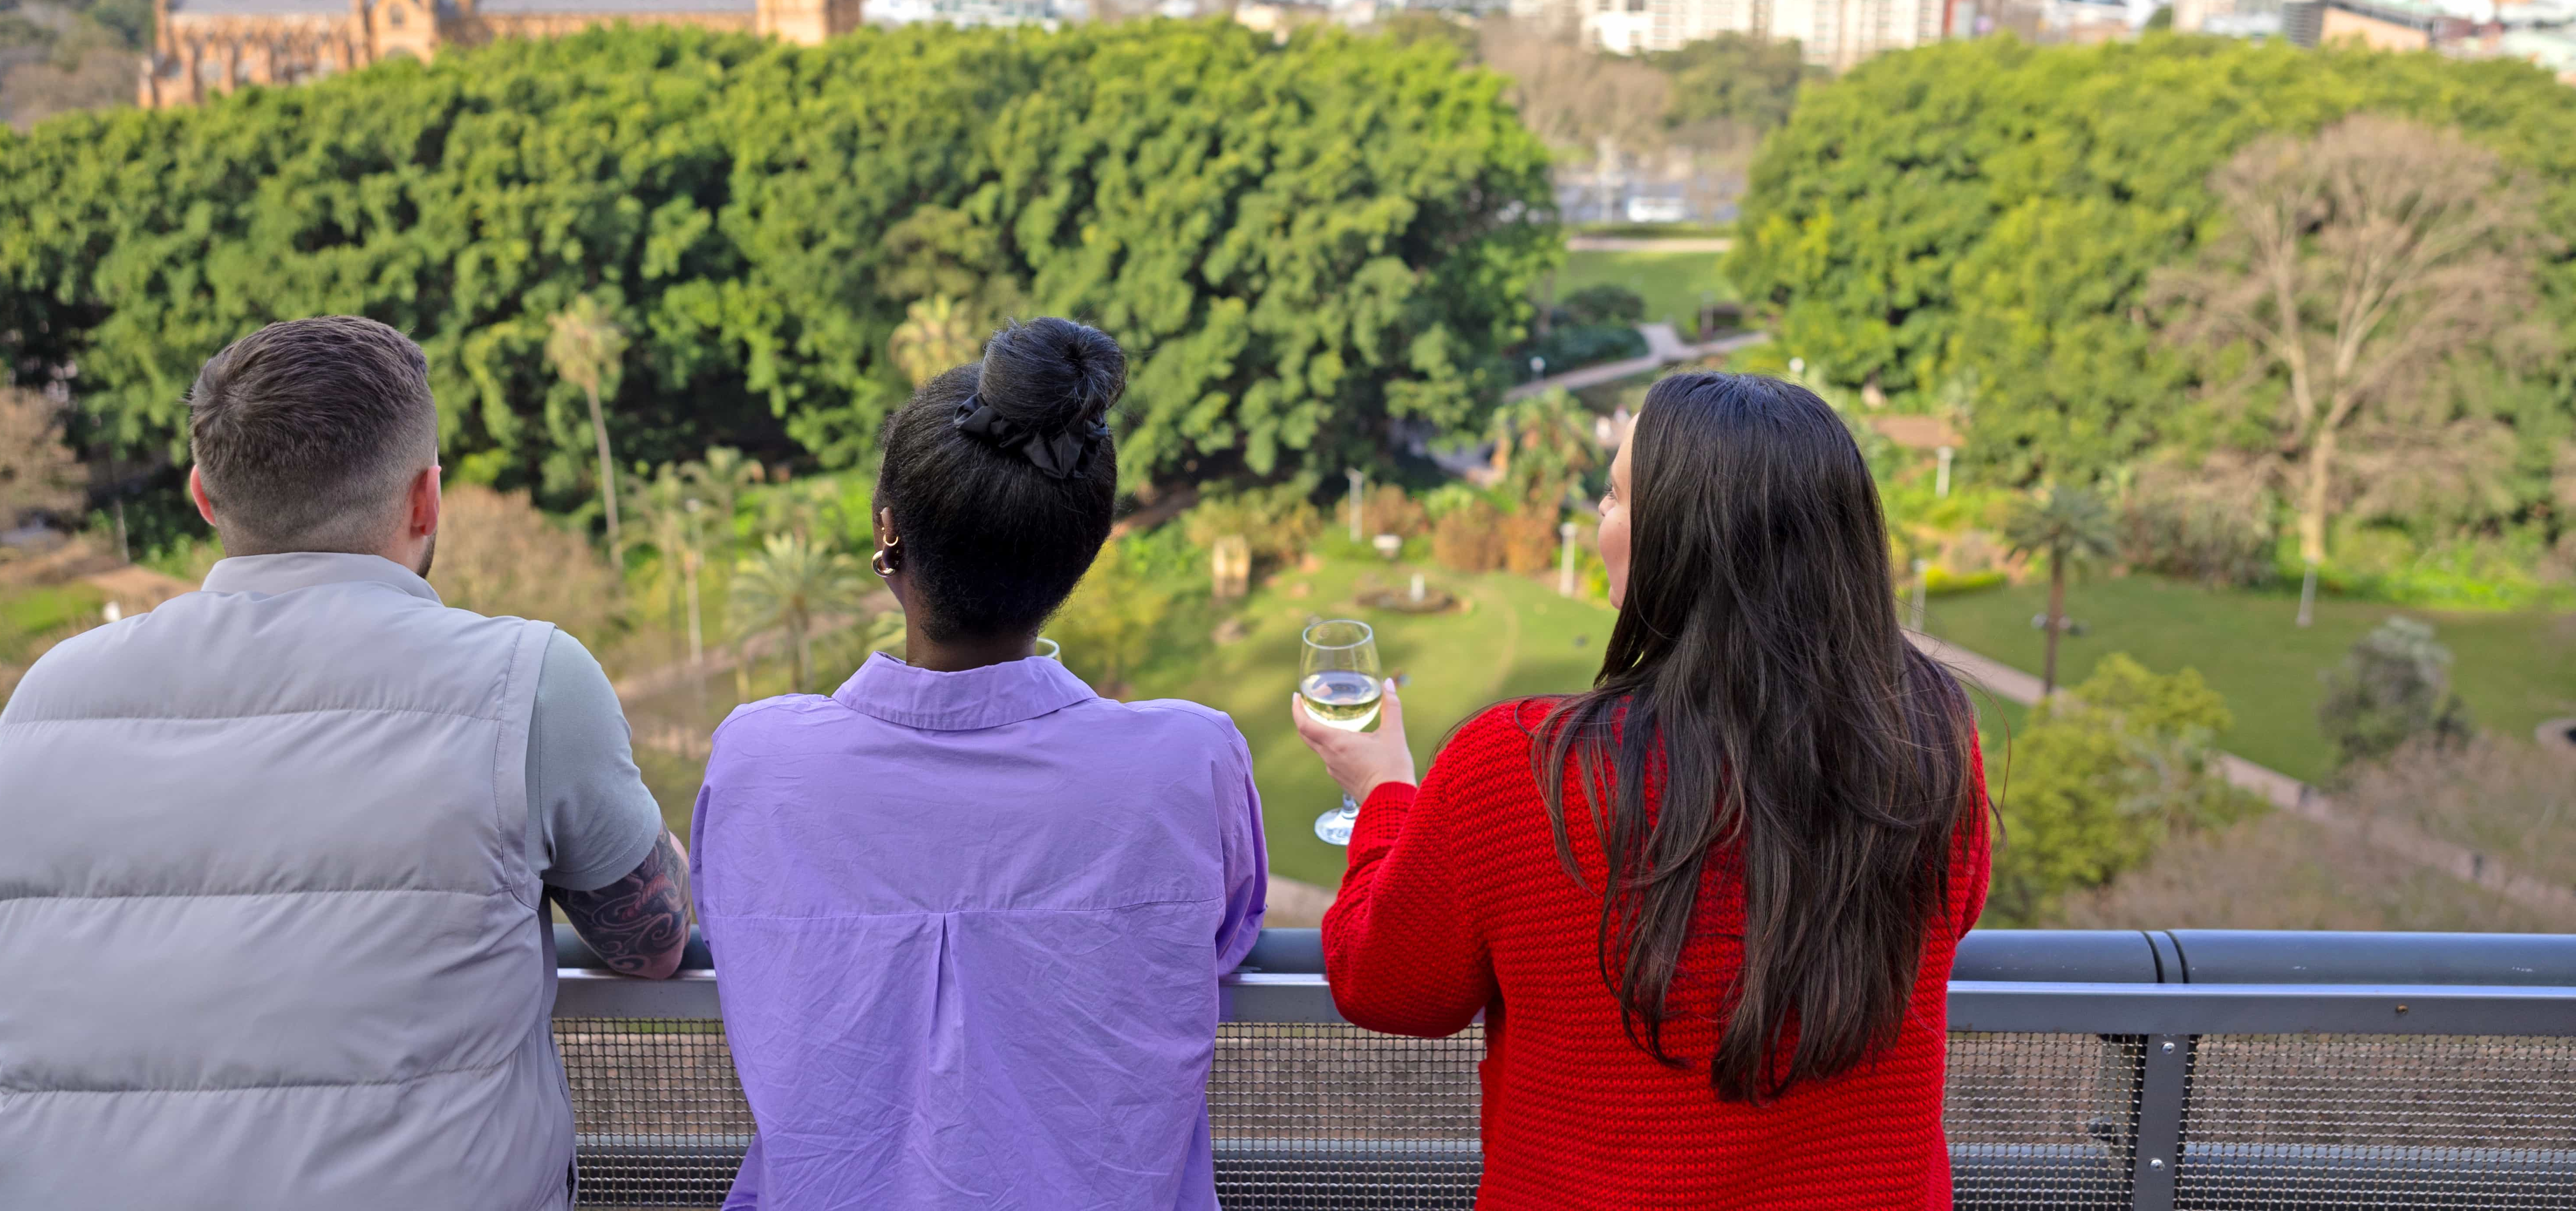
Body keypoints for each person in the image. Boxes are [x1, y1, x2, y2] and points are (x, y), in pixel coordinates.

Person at [0, 315, 686, 1210]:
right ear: (426, 499)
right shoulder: (526, 682)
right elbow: (651, 943)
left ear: (202, 495)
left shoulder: (42, 698)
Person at [1295, 371, 1989, 1209]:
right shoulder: (1930, 742)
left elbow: (1388, 985)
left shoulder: (1521, 769)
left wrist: (1385, 797)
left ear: (1685, 542)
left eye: (1618, 498)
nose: (1598, 519)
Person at [693, 316, 1266, 1211]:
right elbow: (1223, 941)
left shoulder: (761, 763)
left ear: (890, 535)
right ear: (1083, 545)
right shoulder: (1186, 764)